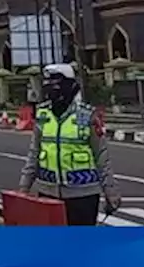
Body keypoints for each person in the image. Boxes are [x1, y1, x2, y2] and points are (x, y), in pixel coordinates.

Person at [18, 64, 120, 226]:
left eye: (56, 85)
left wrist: (111, 193)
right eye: (49, 86)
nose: (52, 91)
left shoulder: (88, 116)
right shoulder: (43, 115)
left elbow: (101, 157)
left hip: (83, 196)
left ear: (69, 87)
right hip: (47, 192)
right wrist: (23, 190)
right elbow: (33, 155)